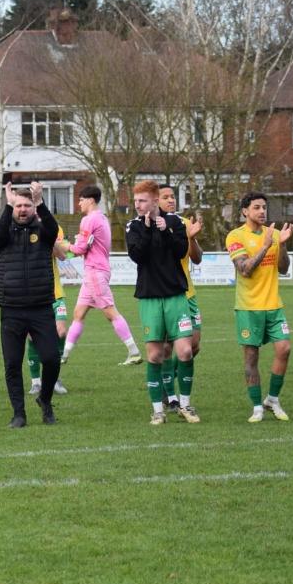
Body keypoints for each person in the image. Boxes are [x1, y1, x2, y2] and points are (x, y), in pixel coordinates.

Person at [124, 180, 196, 425]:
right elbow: (137, 256)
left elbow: (181, 251)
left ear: (155, 201)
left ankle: (186, 405)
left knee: (185, 351)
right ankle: (158, 410)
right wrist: (146, 230)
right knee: (155, 356)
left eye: (142, 200)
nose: (138, 205)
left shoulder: (175, 222)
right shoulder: (133, 226)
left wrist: (165, 231)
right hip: (150, 297)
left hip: (176, 295)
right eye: (136, 201)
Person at [0, 181, 60, 428]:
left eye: (27, 205)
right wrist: (7, 205)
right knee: (12, 363)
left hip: (41, 307)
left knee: (51, 359)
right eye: (18, 205)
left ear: (33, 208)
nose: (22, 209)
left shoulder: (42, 231)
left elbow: (53, 229)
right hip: (11, 309)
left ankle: (45, 399)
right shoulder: (5, 232)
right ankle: (18, 413)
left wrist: (41, 203)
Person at [226, 192, 293, 423]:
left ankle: (272, 399)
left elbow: (283, 268)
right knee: (251, 358)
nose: (262, 211)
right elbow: (244, 269)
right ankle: (257, 407)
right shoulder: (235, 236)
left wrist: (281, 245)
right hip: (248, 308)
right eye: (257, 207)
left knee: (284, 349)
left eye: (264, 207)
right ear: (245, 211)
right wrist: (265, 247)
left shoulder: (274, 234)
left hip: (274, 305)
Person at [59, 185, 142, 365]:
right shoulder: (102, 218)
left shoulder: (89, 220)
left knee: (110, 312)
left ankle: (134, 352)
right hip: (95, 271)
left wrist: (62, 245)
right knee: (79, 313)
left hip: (95, 272)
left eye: (80, 200)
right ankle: (64, 355)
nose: (78, 203)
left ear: (90, 200)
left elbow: (80, 249)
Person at [157, 184, 203, 411]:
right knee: (166, 348)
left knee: (193, 346)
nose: (171, 200)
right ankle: (171, 395)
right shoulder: (151, 225)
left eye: (172, 196)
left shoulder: (185, 223)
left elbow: (197, 259)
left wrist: (192, 239)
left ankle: (168, 377)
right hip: (166, 295)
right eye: (165, 197)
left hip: (188, 294)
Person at [27, 226, 69, 397]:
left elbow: (62, 255)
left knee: (60, 332)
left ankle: (54, 378)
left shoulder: (52, 226)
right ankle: (36, 382)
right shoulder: (20, 228)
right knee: (32, 336)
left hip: (55, 292)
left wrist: (47, 236)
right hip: (31, 293)